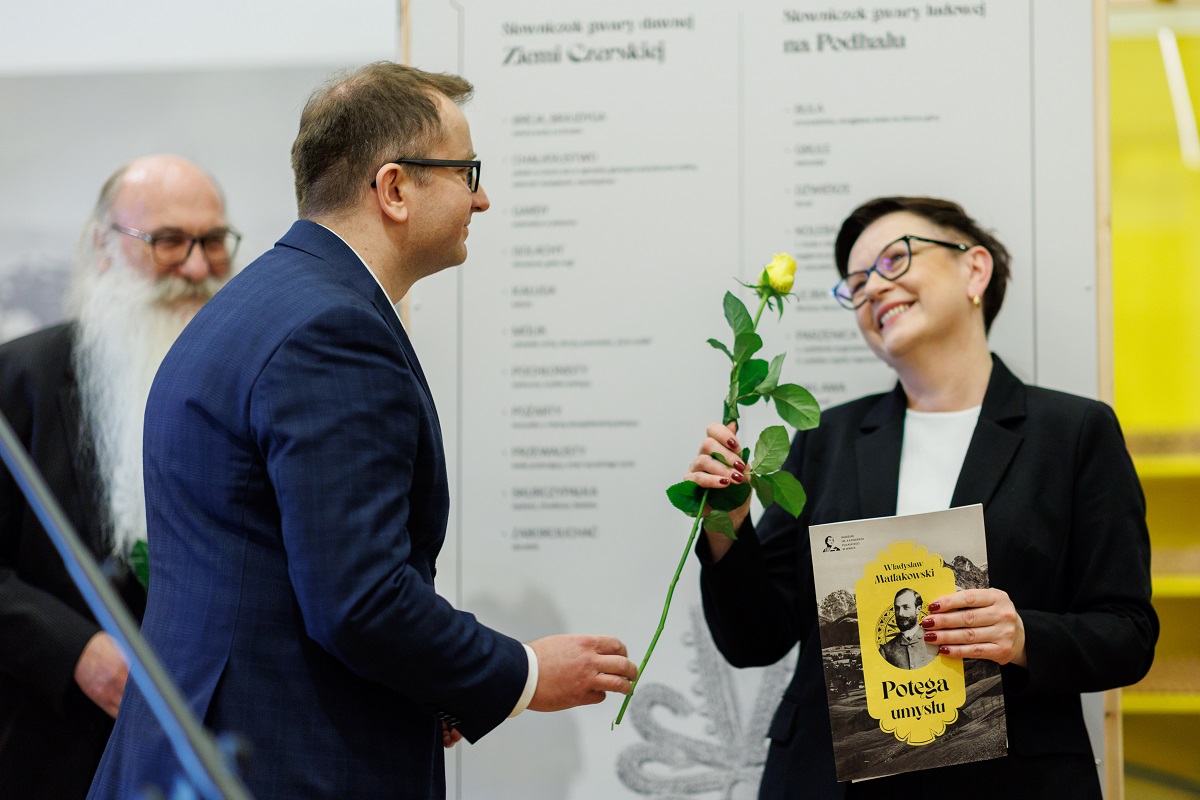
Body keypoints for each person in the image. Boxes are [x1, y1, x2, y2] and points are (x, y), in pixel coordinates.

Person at [88, 63, 637, 800]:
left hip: (211, 744)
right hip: (276, 763)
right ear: (394, 189)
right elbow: (361, 601)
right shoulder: (333, 330)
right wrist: (527, 674)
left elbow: (288, 573)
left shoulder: (257, 303)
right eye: (467, 172)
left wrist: (433, 680)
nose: (481, 198)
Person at [685, 197, 1158, 798]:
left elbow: (1126, 633)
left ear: (974, 270)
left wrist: (1022, 637)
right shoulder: (826, 439)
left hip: (1010, 780)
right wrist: (726, 526)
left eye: (894, 260)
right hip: (832, 778)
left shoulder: (1073, 433)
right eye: (856, 284)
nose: (873, 289)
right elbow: (755, 638)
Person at [0, 155, 233, 799]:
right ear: (104, 248)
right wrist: (73, 650)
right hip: (57, 749)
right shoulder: (19, 380)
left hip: (220, 753)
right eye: (168, 241)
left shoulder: (259, 382)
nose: (197, 267)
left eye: (213, 241)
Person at [878, 588, 937, 670]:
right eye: (897, 608)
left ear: (918, 609)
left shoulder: (936, 640)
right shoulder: (886, 650)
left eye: (906, 607)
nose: (900, 613)